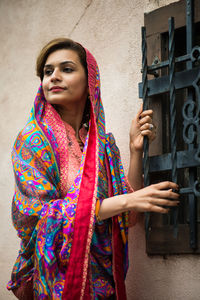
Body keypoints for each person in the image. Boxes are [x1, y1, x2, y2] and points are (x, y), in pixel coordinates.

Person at [7, 38, 179, 300]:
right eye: (47, 71)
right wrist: (125, 200)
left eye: (66, 69)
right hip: (53, 282)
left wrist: (135, 151)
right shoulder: (33, 140)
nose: (54, 77)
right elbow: (41, 216)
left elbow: (128, 216)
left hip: (102, 282)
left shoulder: (102, 145)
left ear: (91, 82)